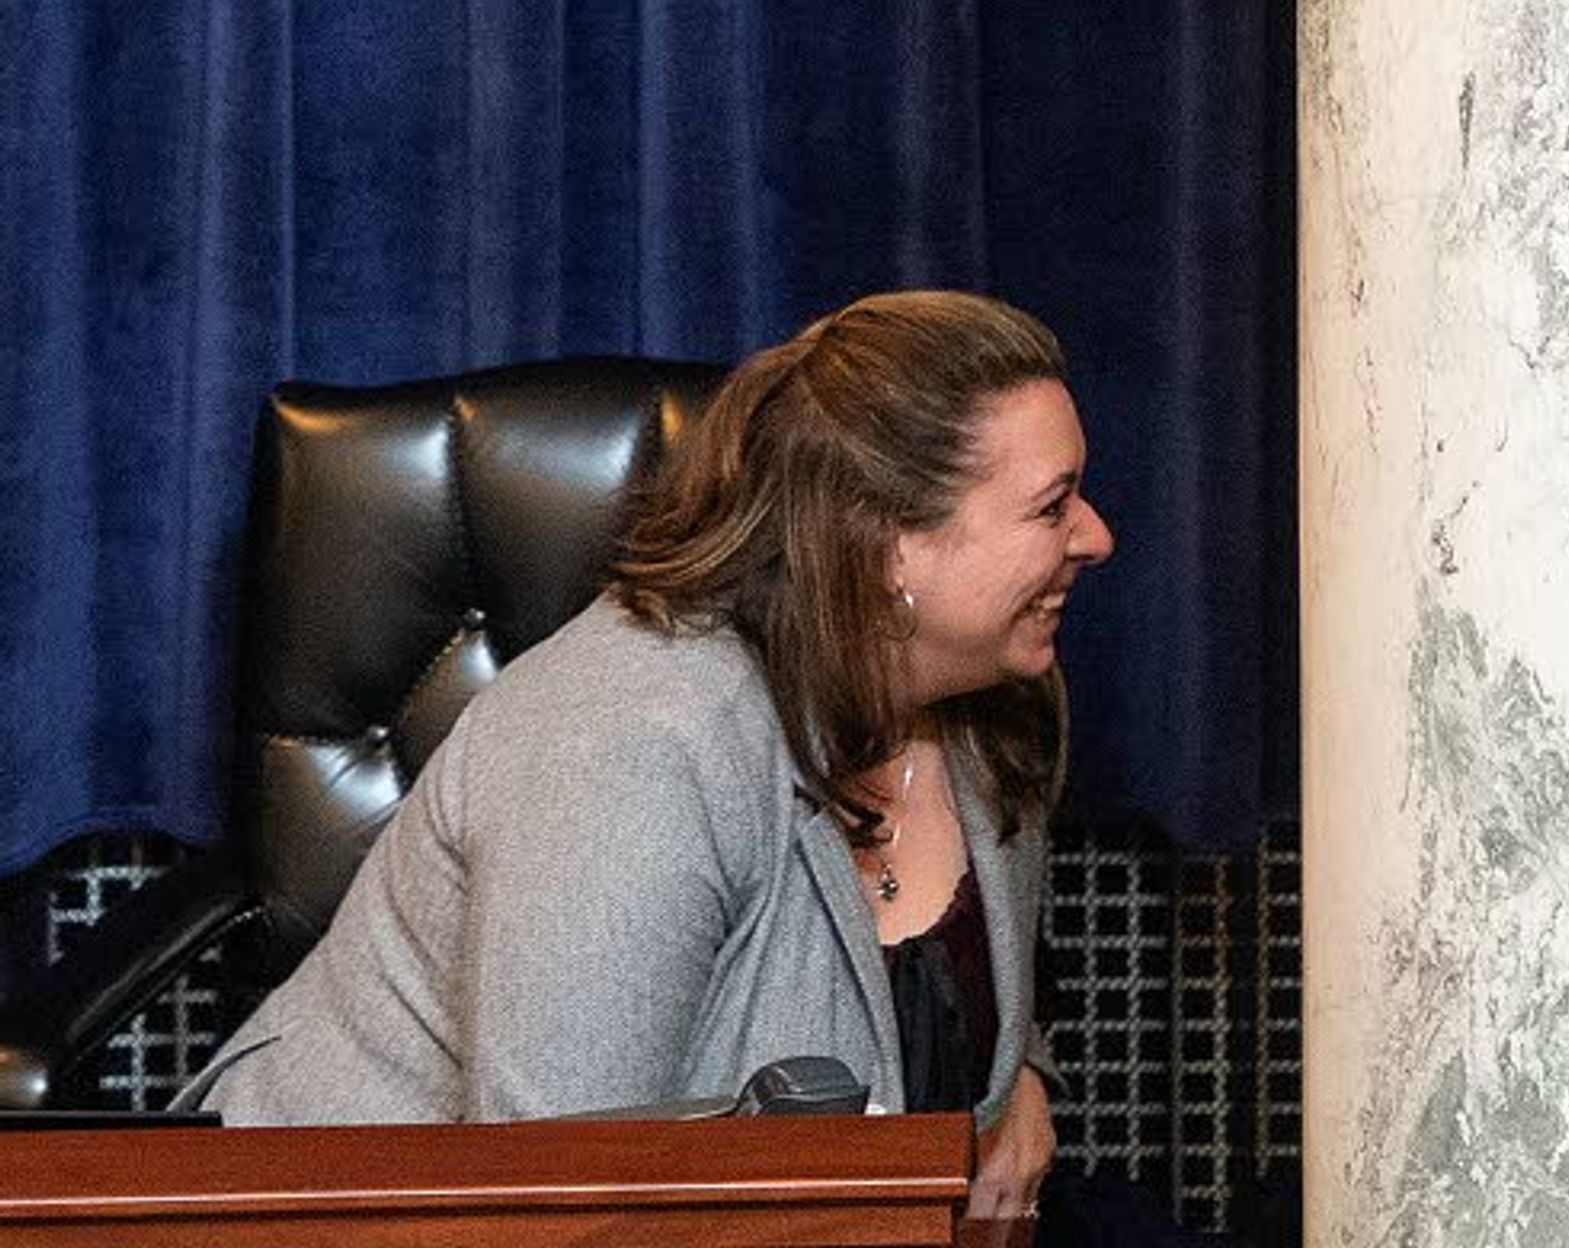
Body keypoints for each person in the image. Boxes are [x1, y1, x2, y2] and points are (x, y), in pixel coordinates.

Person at [188, 290, 1115, 1239]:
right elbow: (568, 1209)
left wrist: (1021, 1085)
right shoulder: (637, 744)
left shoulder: (1004, 700)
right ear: (889, 543)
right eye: (1052, 506)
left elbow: (952, 982)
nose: (1096, 537)